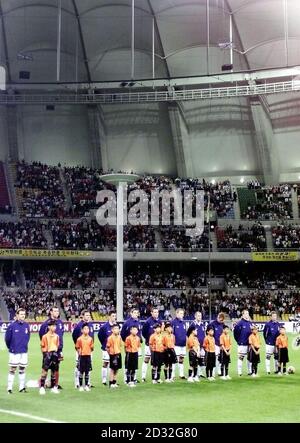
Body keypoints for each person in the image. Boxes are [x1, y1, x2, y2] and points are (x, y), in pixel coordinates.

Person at [5, 308, 30, 394]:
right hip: (14, 351)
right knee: (12, 369)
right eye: (21, 314)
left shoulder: (27, 325)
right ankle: (9, 388)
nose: (23, 315)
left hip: (24, 351)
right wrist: (11, 348)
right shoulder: (12, 326)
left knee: (22, 369)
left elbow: (28, 337)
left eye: (24, 314)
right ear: (17, 315)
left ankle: (21, 387)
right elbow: (7, 339)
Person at [39, 306, 64, 388]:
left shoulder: (60, 323)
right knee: (45, 367)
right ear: (51, 312)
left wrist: (60, 348)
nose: (57, 312)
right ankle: (42, 384)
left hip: (58, 349)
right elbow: (41, 335)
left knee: (56, 367)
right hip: (48, 350)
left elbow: (61, 336)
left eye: (58, 311)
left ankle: (55, 384)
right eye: (55, 311)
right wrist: (45, 350)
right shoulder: (46, 324)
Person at [72, 310, 94, 388]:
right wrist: (78, 347)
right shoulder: (79, 326)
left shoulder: (90, 325)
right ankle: (77, 382)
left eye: (89, 315)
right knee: (78, 366)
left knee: (88, 366)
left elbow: (92, 337)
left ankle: (88, 383)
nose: (88, 317)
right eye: (87, 315)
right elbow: (74, 336)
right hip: (80, 350)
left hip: (89, 350)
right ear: (83, 316)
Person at [121, 308, 142, 383]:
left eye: (137, 313)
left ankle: (134, 378)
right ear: (131, 313)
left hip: (137, 345)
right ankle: (126, 378)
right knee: (128, 362)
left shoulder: (138, 321)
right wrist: (127, 342)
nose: (136, 314)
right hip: (129, 345)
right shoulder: (127, 323)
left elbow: (139, 332)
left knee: (135, 362)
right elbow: (122, 334)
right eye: (135, 313)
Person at [39, 320, 60, 395]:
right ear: (49, 327)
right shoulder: (45, 336)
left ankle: (54, 387)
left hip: (54, 354)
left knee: (54, 371)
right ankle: (42, 387)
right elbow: (42, 346)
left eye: (55, 326)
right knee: (44, 371)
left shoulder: (57, 336)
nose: (54, 327)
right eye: (53, 326)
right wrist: (45, 354)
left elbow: (57, 345)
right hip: (47, 354)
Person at [141, 307, 161, 382]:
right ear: (151, 313)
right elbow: (143, 332)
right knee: (147, 359)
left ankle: (155, 376)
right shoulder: (148, 322)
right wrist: (148, 340)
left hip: (158, 345)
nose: (156, 313)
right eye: (154, 312)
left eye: (157, 312)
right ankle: (143, 376)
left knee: (156, 361)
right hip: (149, 344)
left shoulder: (159, 321)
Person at [98, 311, 117, 385]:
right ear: (109, 317)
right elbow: (100, 336)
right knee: (105, 363)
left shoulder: (116, 326)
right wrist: (104, 344)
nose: (114, 317)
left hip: (114, 349)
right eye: (112, 316)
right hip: (106, 349)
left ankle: (112, 380)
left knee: (113, 365)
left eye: (115, 316)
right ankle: (104, 380)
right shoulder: (104, 327)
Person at [233, 309, 253, 376]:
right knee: (241, 358)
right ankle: (239, 372)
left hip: (249, 345)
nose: (247, 314)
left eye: (248, 313)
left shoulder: (250, 323)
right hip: (242, 344)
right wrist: (239, 341)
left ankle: (249, 371)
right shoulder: (240, 323)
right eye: (246, 313)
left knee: (249, 358)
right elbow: (235, 333)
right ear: (243, 315)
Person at [186, 311, 206, 378]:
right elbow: (188, 334)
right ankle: (193, 375)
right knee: (194, 360)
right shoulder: (192, 324)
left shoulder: (203, 324)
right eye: (198, 315)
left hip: (201, 345)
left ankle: (200, 373)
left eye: (200, 315)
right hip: (194, 345)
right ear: (195, 316)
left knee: (201, 359)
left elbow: (204, 334)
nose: (199, 317)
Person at [76, 323, 94, 392]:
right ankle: (80, 386)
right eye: (85, 329)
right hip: (82, 356)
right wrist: (80, 353)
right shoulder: (79, 339)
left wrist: (88, 351)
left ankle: (86, 385)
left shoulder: (90, 339)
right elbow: (77, 347)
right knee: (81, 371)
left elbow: (92, 348)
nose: (86, 330)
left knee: (87, 371)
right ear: (82, 330)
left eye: (87, 329)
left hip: (88, 356)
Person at [171, 308, 187, 380]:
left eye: (182, 313)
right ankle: (172, 375)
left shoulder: (184, 323)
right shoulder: (173, 322)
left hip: (183, 344)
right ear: (176, 314)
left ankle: (181, 374)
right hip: (176, 344)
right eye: (180, 313)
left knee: (181, 360)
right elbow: (171, 334)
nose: (182, 315)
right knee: (174, 360)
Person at [106, 324, 122, 388]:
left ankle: (115, 382)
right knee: (112, 369)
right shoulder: (110, 338)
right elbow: (107, 347)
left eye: (118, 329)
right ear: (112, 330)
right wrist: (110, 354)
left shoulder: (119, 337)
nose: (116, 330)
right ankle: (111, 382)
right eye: (115, 328)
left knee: (117, 369)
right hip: (113, 354)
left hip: (118, 353)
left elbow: (120, 345)